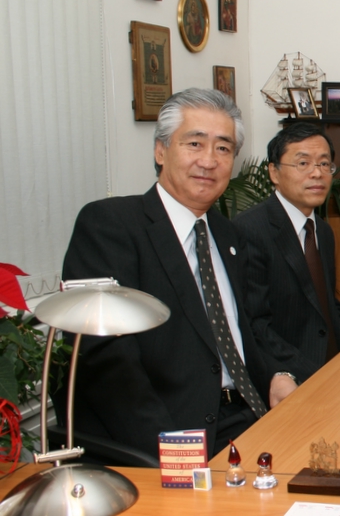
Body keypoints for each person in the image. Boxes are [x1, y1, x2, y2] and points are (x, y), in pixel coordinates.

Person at [61, 88, 299, 460]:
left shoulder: (227, 234)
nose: (209, 160)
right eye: (194, 144)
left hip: (250, 416)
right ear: (161, 151)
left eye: (223, 148)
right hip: (173, 434)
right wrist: (175, 452)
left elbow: (243, 329)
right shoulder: (111, 225)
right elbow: (106, 363)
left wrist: (275, 375)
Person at [234, 123, 340, 382]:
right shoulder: (250, 229)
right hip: (289, 377)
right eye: (303, 163)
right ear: (274, 172)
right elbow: (256, 325)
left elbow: (328, 308)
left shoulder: (322, 230)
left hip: (335, 369)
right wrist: (314, 375)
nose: (317, 173)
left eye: (324, 164)